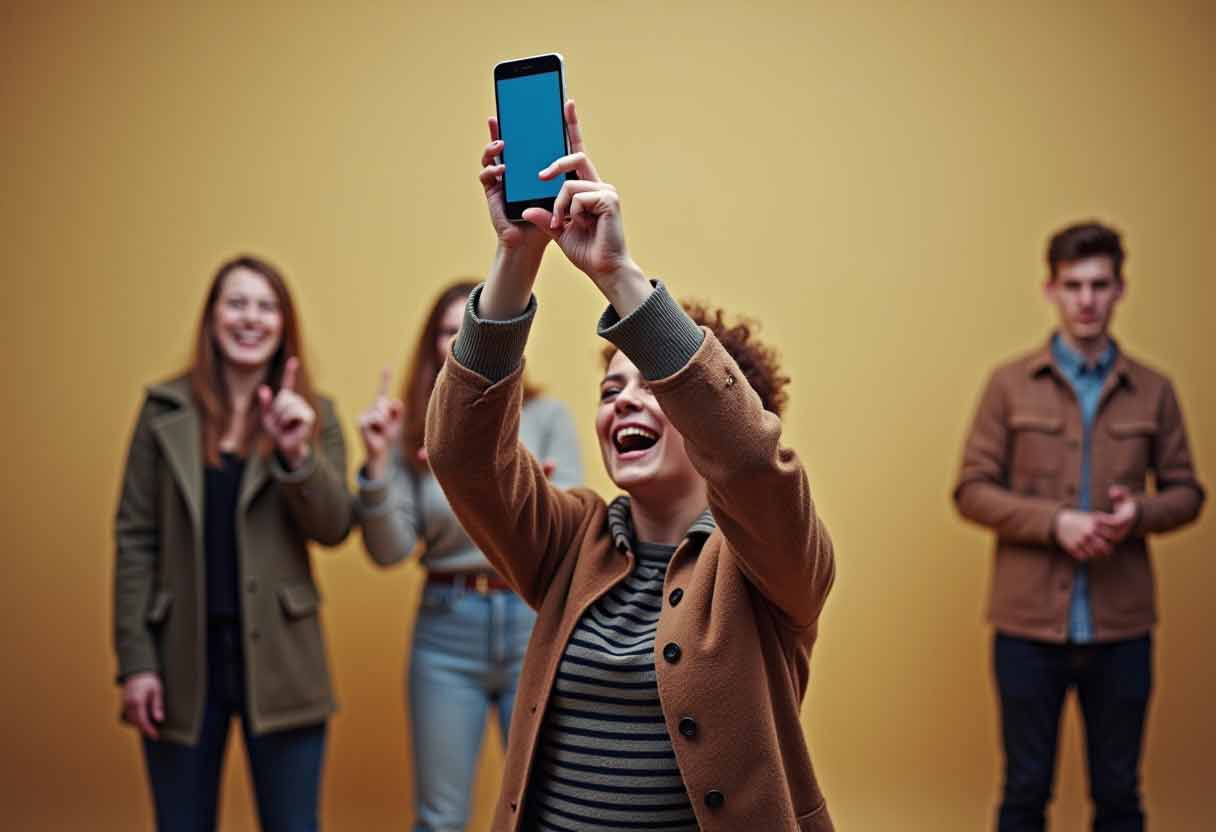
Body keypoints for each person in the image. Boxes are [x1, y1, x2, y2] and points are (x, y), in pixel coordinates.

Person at [423, 101, 836, 830]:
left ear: (709, 407)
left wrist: (618, 278)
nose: (624, 403)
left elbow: (748, 458)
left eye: (653, 385)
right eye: (611, 390)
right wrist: (517, 258)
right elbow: (462, 457)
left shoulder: (770, 561)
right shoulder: (570, 541)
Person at [953, 221, 1205, 831]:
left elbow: (1188, 494)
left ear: (1120, 289)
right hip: (1026, 629)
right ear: (1051, 290)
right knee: (1024, 791)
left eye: (1099, 285)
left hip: (1121, 629)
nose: (1086, 300)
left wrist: (1136, 515)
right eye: (1074, 286)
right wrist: (1054, 523)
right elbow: (970, 490)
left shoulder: (1155, 391)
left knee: (1119, 795)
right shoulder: (1008, 385)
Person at [113, 255, 352, 831]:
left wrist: (297, 453)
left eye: (265, 306)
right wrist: (135, 663)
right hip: (180, 661)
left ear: (283, 323)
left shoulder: (316, 414)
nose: (251, 318)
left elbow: (335, 526)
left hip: (283, 660)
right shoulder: (163, 410)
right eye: (237, 303)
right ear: (213, 318)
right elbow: (134, 538)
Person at [353, 280, 583, 831]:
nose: (459, 339)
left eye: (468, 328)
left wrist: (523, 486)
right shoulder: (415, 430)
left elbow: (571, 535)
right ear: (433, 345)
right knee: (440, 818)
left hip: (532, 623)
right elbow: (390, 551)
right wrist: (378, 464)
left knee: (541, 812)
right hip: (444, 631)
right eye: (446, 330)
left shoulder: (546, 417)